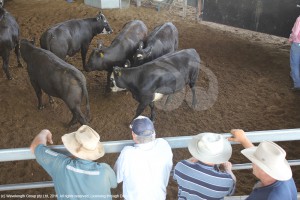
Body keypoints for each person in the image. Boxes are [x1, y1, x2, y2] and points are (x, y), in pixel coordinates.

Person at [30, 125, 117, 200]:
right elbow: (114, 185)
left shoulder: (60, 164)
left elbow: (35, 146)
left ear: (73, 147)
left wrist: (45, 132)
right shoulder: (105, 170)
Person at [114, 116, 173, 200]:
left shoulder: (127, 153)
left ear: (133, 135)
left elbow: (116, 177)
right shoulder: (164, 145)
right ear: (154, 133)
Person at [228, 129, 297, 200]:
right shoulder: (283, 176)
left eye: (254, 162)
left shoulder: (272, 197)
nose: (252, 163)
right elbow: (263, 158)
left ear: (262, 169)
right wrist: (243, 140)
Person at [173, 132, 236, 199]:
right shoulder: (226, 181)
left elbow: (175, 179)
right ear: (220, 154)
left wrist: (198, 155)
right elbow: (231, 192)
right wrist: (228, 170)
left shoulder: (181, 166)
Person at [289, 15, 300, 91]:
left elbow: (295, 33)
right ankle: (293, 75)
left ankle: (297, 85)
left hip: (298, 43)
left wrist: (291, 39)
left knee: (294, 64)